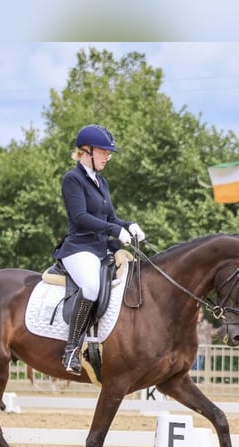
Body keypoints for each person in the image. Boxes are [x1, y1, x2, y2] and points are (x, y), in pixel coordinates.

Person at [52, 124, 146, 375]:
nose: (107, 157)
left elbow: (111, 217)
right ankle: (71, 349)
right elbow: (81, 217)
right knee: (92, 287)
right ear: (86, 151)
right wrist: (115, 231)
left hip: (101, 248)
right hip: (79, 248)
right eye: (104, 152)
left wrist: (129, 226)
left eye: (108, 153)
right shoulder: (73, 179)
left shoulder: (101, 182)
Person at [191, 308, 214, 383]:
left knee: (199, 366)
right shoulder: (191, 323)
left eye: (201, 313)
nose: (199, 315)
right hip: (193, 350)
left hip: (202, 350)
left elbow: (208, 335)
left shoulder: (204, 323)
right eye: (198, 313)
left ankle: (197, 380)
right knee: (192, 367)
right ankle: (192, 381)